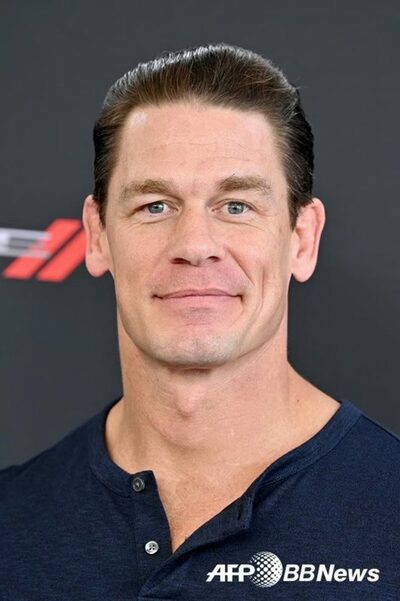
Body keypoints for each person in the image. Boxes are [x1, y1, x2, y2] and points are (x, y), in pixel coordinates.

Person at [1, 43, 399, 600]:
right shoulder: (11, 519)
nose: (194, 245)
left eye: (236, 206)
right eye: (155, 206)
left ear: (302, 239)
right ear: (97, 236)